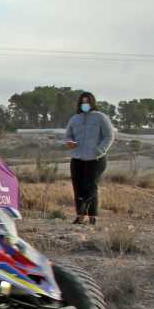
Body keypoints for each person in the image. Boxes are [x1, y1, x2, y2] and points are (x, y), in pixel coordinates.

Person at [65, 91, 115, 225]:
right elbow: (68, 136)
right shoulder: (74, 119)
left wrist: (99, 151)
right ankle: (80, 216)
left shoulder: (100, 117)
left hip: (96, 159)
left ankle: (92, 216)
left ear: (92, 103)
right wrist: (70, 142)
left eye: (87, 102)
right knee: (78, 186)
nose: (85, 104)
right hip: (77, 158)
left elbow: (109, 136)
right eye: (82, 102)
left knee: (90, 185)